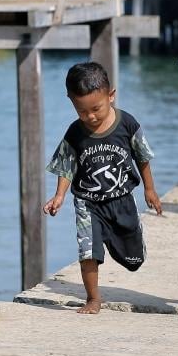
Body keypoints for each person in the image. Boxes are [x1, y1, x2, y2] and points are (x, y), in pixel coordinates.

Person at [42, 62, 162, 315]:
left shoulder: (127, 124)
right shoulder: (75, 133)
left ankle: (122, 243)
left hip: (121, 199)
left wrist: (149, 190)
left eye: (96, 109)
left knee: (133, 260)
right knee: (88, 251)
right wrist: (59, 195)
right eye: (82, 111)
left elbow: (143, 157)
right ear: (71, 102)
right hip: (87, 202)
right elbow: (67, 166)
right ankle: (93, 299)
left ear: (111, 95)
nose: (91, 117)